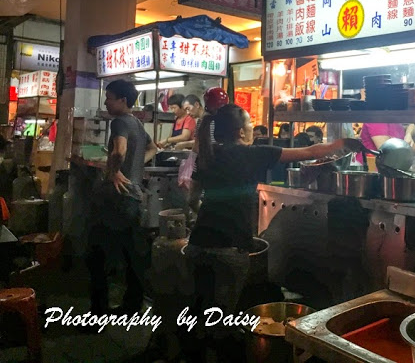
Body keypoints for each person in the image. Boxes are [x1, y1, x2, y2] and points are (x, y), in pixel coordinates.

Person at [184, 104, 364, 356]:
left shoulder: (208, 155)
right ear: (239, 130)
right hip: (229, 249)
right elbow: (309, 152)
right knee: (224, 320)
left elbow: (192, 201)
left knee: (197, 313)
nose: (251, 127)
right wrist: (343, 143)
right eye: (249, 123)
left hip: (197, 244)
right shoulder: (254, 154)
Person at [86, 79, 157, 318]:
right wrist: (134, 168)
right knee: (131, 256)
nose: (106, 101)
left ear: (122, 100)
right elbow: (153, 147)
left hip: (115, 200)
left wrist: (115, 171)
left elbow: (119, 150)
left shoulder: (119, 122)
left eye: (109, 97)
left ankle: (97, 317)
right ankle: (132, 306)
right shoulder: (137, 122)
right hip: (134, 198)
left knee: (97, 257)